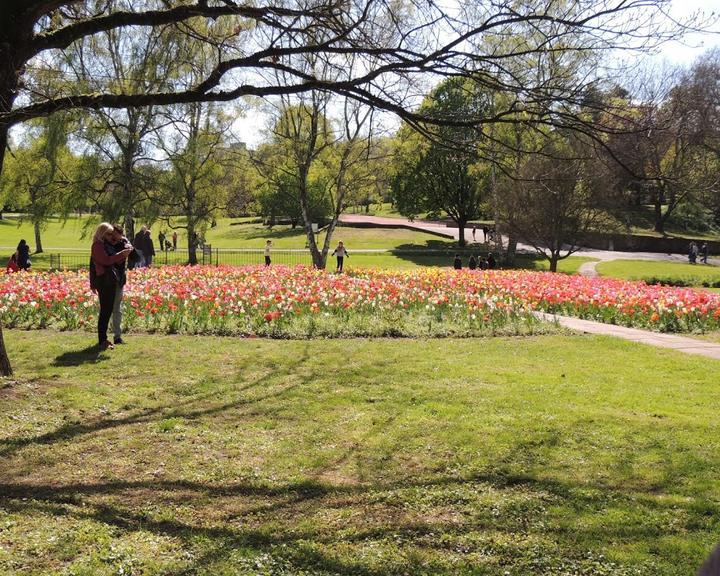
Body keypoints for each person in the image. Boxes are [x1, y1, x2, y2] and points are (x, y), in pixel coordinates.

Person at [91, 222, 133, 351]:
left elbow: (110, 261)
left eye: (111, 234)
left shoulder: (102, 244)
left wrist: (124, 254)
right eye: (108, 234)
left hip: (109, 280)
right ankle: (102, 340)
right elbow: (106, 261)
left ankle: (105, 339)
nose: (110, 237)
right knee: (105, 311)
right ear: (102, 233)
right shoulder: (98, 246)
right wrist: (122, 255)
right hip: (104, 281)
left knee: (109, 310)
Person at [108, 224, 132, 345]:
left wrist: (128, 246)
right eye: (118, 234)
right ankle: (104, 336)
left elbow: (135, 257)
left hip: (119, 279)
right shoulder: (105, 244)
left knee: (117, 308)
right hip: (108, 280)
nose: (120, 237)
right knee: (107, 309)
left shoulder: (124, 242)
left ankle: (117, 336)